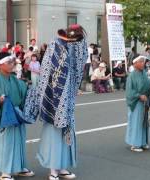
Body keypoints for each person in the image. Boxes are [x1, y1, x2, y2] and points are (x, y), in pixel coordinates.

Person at [36, 24, 88, 180]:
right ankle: (53, 170)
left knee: (67, 130)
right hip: (53, 97)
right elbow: (46, 72)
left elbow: (79, 65)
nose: (77, 42)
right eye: (76, 38)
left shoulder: (76, 46)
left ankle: (63, 167)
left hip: (68, 98)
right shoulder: (55, 45)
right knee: (54, 133)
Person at [0, 55, 34, 180]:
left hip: (17, 114)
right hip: (4, 115)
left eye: (12, 62)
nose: (12, 64)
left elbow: (25, 92)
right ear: (0, 65)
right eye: (9, 62)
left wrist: (32, 92)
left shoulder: (15, 79)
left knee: (19, 142)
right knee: (5, 144)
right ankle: (5, 172)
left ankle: (19, 167)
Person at [125, 56, 150, 152]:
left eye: (143, 62)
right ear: (134, 63)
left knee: (143, 122)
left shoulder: (144, 74)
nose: (143, 63)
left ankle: (143, 142)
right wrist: (139, 96)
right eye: (140, 61)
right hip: (136, 102)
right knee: (136, 122)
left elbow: (149, 85)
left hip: (145, 101)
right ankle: (134, 144)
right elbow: (129, 92)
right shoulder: (131, 75)